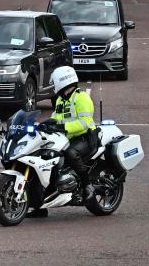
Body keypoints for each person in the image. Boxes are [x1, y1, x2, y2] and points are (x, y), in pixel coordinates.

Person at [39, 66, 97, 202]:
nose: (53, 85)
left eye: (54, 82)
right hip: (67, 137)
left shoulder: (82, 98)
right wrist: (46, 123)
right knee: (47, 156)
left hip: (86, 137)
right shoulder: (61, 99)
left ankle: (87, 184)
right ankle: (41, 203)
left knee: (70, 153)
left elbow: (85, 123)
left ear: (62, 81)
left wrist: (63, 127)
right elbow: (56, 117)